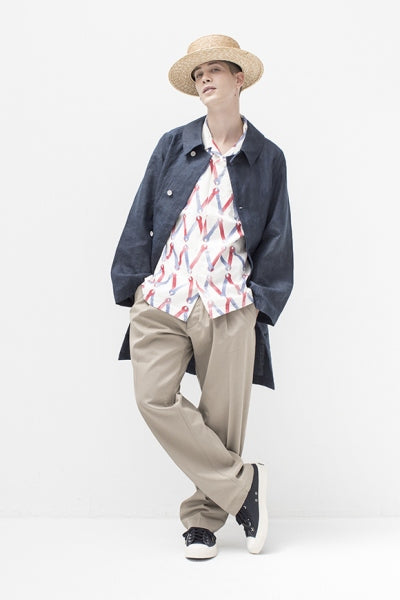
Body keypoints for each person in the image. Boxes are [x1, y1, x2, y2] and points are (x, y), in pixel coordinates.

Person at [110, 34, 294, 560]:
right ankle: (243, 484)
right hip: (164, 296)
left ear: (240, 78)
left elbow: (277, 234)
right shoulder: (173, 144)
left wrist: (260, 303)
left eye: (215, 69)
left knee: (220, 419)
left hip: (229, 302)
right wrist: (134, 284)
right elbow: (142, 214)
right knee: (153, 397)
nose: (205, 78)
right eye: (198, 73)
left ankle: (203, 520)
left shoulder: (267, 157)